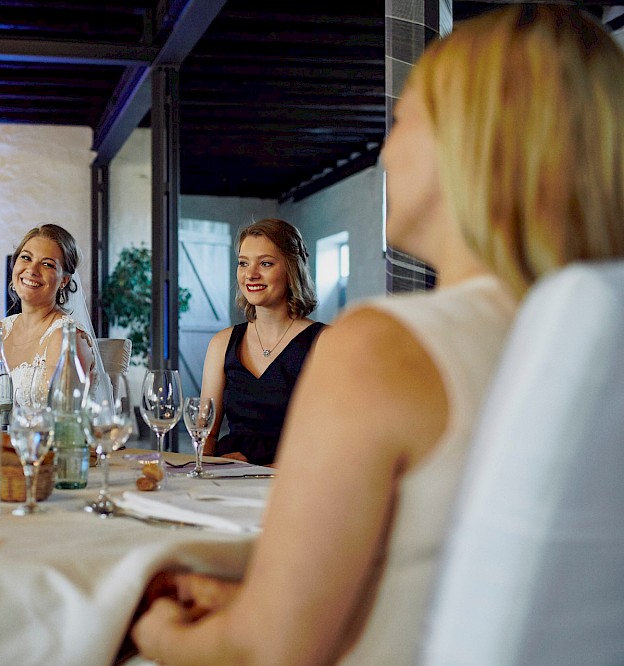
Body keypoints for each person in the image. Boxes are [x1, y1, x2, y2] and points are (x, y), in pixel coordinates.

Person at [131, 6, 624, 665]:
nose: (387, 152)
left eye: (405, 122)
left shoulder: (384, 345)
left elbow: (263, 653)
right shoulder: (578, 338)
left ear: (471, 141)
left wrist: (143, 621)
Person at [201, 219, 325, 466]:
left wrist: (259, 471)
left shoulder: (325, 342)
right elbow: (206, 433)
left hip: (293, 482)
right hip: (229, 481)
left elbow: (335, 441)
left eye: (265, 263)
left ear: (292, 270)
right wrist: (208, 469)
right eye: (243, 263)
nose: (250, 274)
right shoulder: (222, 343)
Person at [0, 224, 110, 404]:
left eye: (47, 264)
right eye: (26, 258)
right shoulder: (1, 330)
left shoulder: (66, 337)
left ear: (64, 281)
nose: (32, 270)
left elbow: (65, 420)